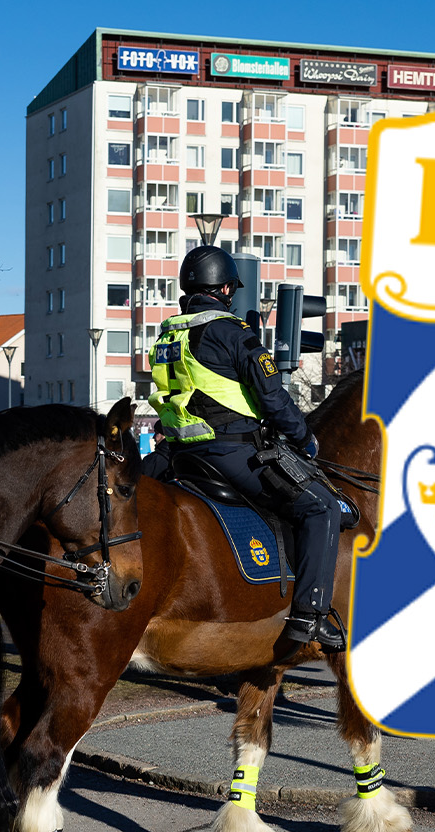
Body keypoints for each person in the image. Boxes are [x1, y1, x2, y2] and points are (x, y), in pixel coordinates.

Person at [147, 245, 346, 655]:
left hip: (179, 454)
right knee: (320, 506)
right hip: (230, 453)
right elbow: (272, 398)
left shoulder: (169, 333)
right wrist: (305, 439)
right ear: (224, 288)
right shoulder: (231, 331)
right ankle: (311, 615)